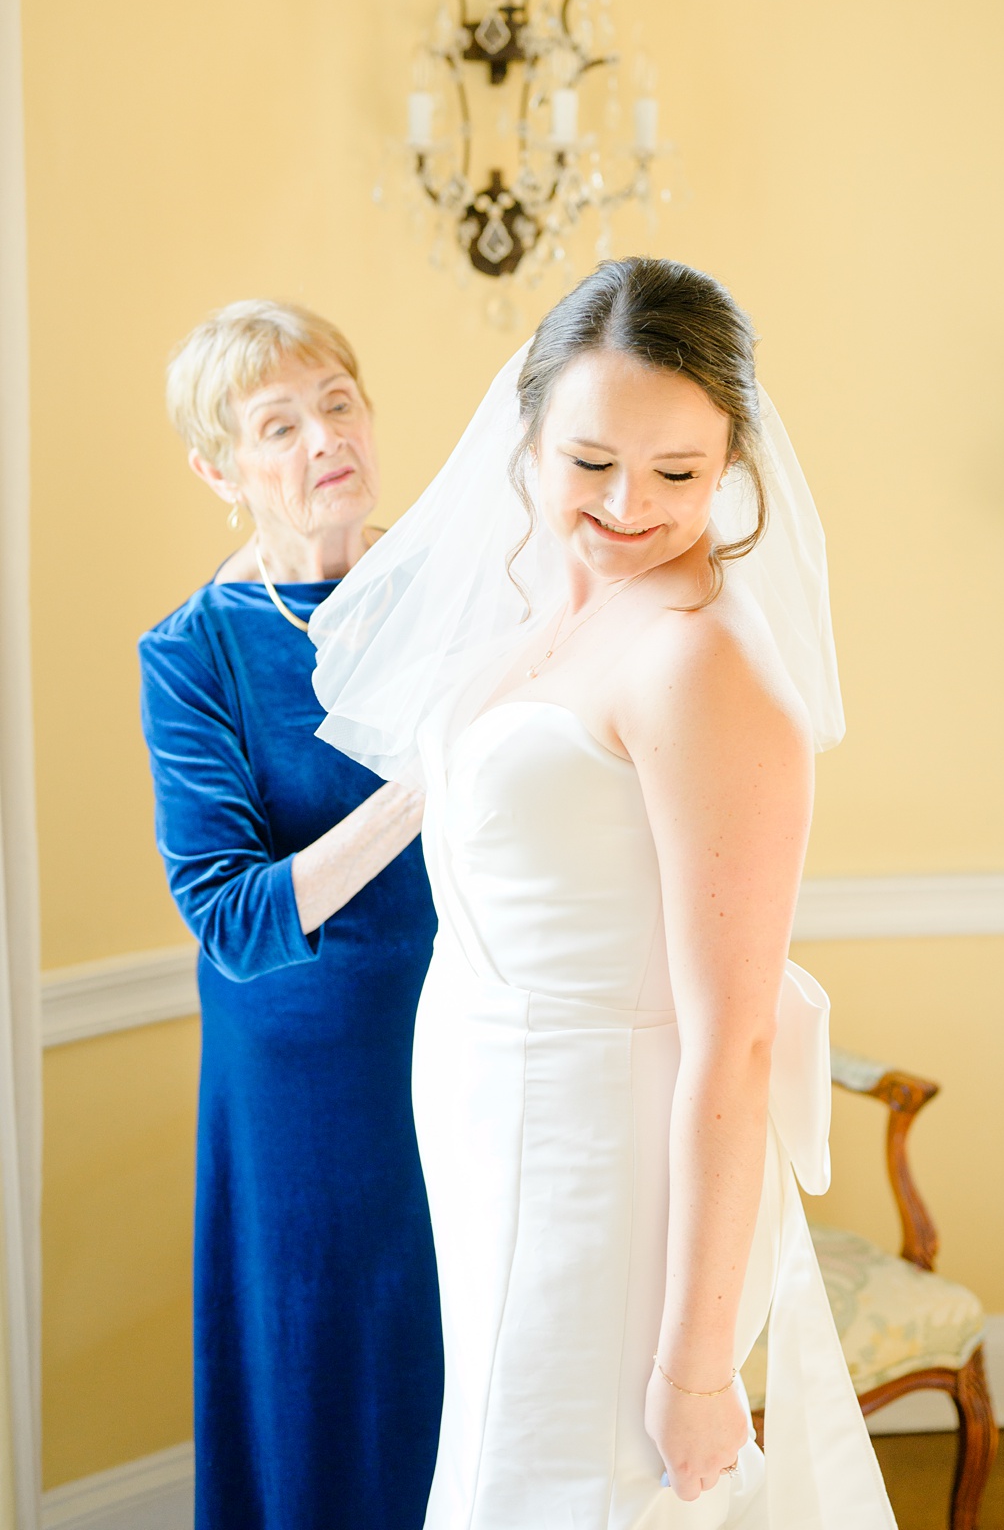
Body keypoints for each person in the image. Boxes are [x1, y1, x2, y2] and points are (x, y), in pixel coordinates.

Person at [309, 258, 892, 1527]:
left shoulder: (703, 665)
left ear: (733, 459)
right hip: (489, 1136)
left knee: (583, 1486)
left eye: (678, 473)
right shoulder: (545, 606)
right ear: (528, 438)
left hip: (608, 1166)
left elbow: (734, 1042)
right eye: (590, 463)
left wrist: (692, 1366)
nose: (630, 504)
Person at [136, 301, 440, 1530]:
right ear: (220, 469)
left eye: (338, 402)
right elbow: (233, 916)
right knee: (319, 1374)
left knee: (456, 1364)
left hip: (465, 1041)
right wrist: (423, 794)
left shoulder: (446, 600)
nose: (325, 437)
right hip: (303, 1091)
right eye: (279, 423)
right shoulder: (191, 653)